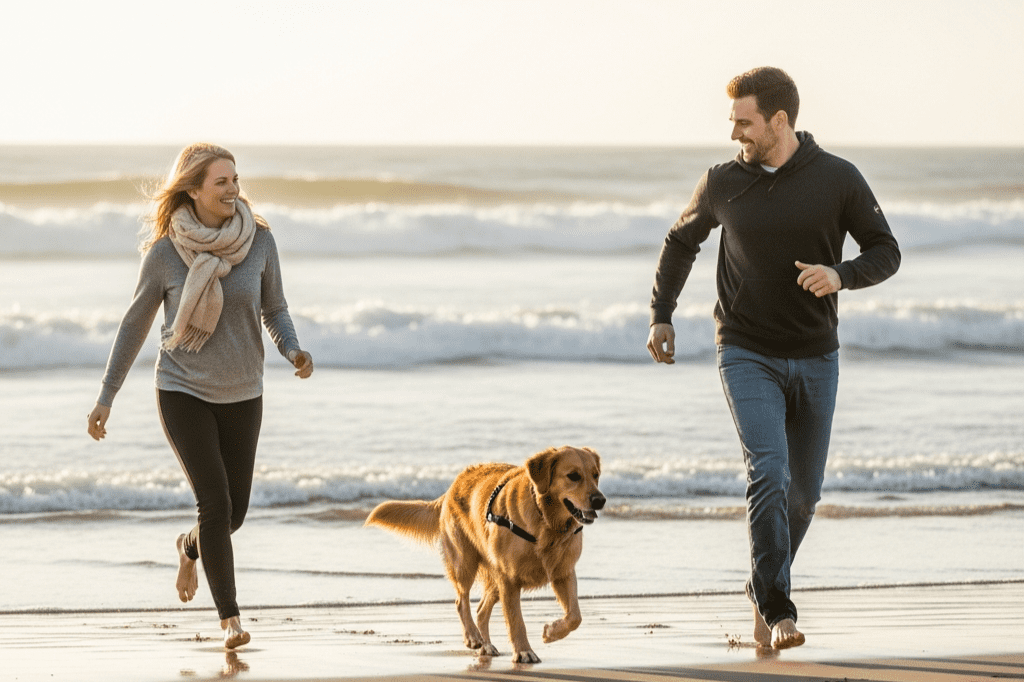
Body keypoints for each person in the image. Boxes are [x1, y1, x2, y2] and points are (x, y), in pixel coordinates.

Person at [646, 68, 900, 649]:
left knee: (803, 496)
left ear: (779, 120)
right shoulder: (721, 182)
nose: (734, 131)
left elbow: (887, 251)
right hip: (744, 349)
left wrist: (841, 275)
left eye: (744, 121)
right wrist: (662, 312)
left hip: (816, 355)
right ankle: (779, 608)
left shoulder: (838, 179)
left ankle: (762, 582)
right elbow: (681, 241)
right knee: (769, 471)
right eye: (733, 120)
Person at [86, 143, 314, 649]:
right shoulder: (167, 253)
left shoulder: (259, 243)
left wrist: (293, 349)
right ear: (193, 189)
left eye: (235, 180)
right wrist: (108, 395)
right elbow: (135, 324)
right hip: (182, 390)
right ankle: (230, 619)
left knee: (233, 514)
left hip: (243, 392)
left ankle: (189, 548)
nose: (234, 190)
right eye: (222, 182)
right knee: (214, 503)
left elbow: (274, 309)